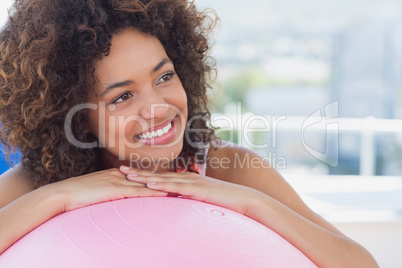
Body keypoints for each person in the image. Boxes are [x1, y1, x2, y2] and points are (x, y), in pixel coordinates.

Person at [0, 0, 378, 267]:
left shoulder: (230, 167)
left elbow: (362, 265)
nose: (159, 108)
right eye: (123, 96)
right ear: (78, 118)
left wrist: (250, 204)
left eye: (164, 76)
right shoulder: (39, 182)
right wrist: (60, 196)